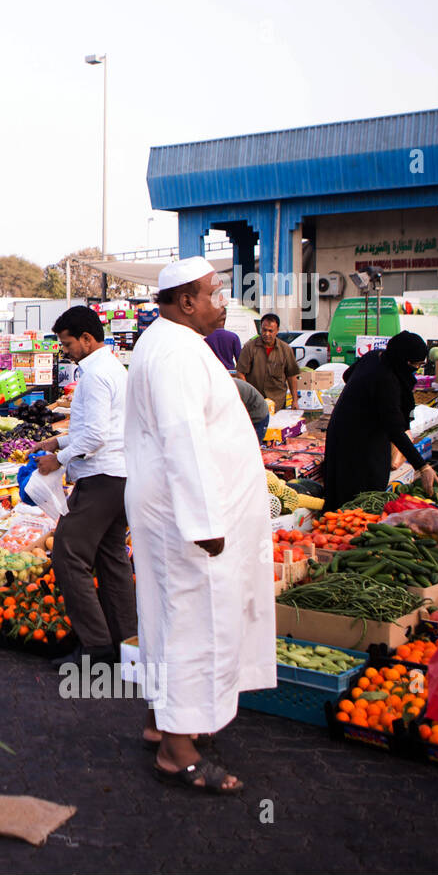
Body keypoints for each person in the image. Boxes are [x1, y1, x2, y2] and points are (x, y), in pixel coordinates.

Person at [124, 256, 275, 795]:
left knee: (172, 618)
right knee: (191, 622)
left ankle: (162, 720)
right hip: (185, 517)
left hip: (175, 510)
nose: (223, 300)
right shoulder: (175, 353)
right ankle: (176, 749)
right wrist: (204, 522)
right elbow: (183, 440)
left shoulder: (172, 342)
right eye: (215, 292)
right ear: (187, 302)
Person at [33, 305, 135, 667]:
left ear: (87, 339)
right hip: (121, 475)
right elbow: (103, 426)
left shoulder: (94, 375)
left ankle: (96, 648)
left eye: (67, 343)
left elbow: (94, 435)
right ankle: (128, 643)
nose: (65, 349)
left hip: (101, 477)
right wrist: (58, 443)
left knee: (67, 554)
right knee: (111, 560)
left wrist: (57, 461)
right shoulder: (115, 369)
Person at [323, 332, 436, 510]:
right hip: (359, 442)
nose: (416, 369)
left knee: (339, 488)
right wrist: (422, 467)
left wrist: (363, 398)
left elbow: (347, 375)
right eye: (415, 364)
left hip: (341, 428)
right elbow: (395, 431)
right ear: (403, 360)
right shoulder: (386, 381)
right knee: (360, 498)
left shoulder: (375, 356)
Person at [236, 312, 300, 410]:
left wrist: (295, 401)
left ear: (277, 330)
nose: (266, 334)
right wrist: (248, 396)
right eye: (264, 330)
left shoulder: (285, 349)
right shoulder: (250, 347)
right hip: (255, 402)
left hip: (277, 403)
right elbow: (240, 373)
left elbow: (291, 376)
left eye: (270, 331)